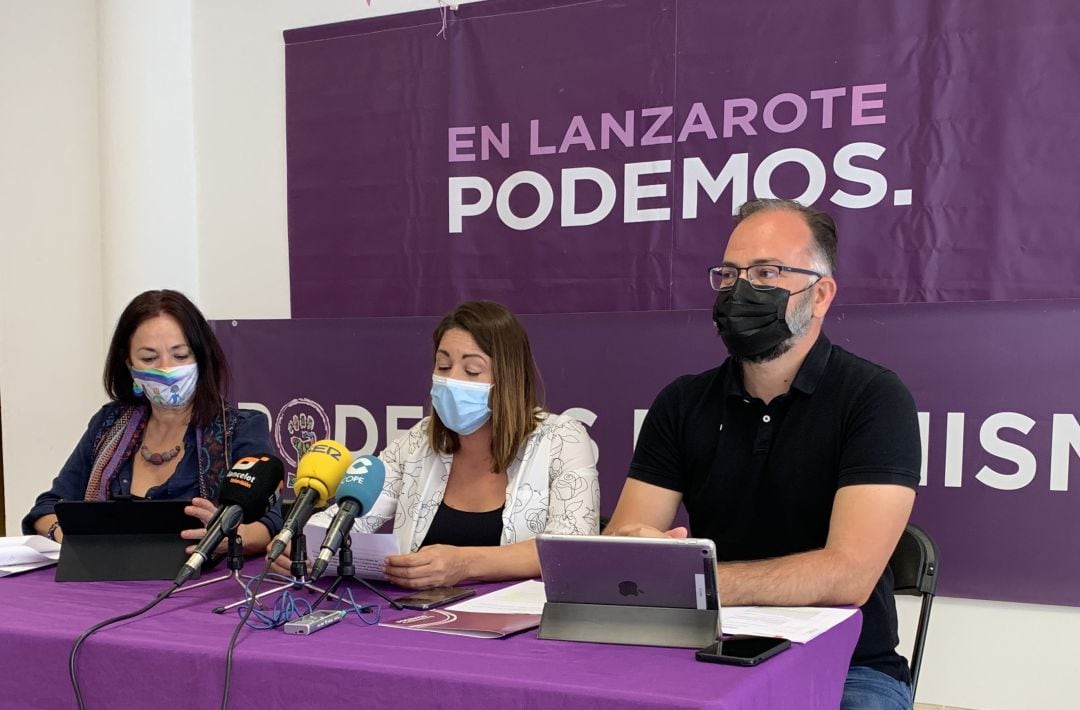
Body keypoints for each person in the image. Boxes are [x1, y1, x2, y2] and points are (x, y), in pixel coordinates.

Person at [606, 199, 920, 710]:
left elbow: (849, 575)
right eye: (729, 274)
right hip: (704, 650)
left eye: (767, 272)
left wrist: (696, 581)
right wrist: (634, 549)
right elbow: (625, 552)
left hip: (847, 667)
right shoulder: (682, 403)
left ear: (820, 295)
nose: (740, 289)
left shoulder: (874, 398)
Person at [303, 300, 600, 589]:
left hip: (524, 627)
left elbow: (571, 549)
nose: (452, 380)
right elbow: (353, 517)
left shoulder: (562, 438)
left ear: (508, 378)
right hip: (417, 618)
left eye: (472, 370)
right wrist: (306, 544)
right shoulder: (419, 439)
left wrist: (465, 563)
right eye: (443, 366)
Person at [23, 289, 283, 554]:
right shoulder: (108, 423)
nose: (166, 369)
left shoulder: (240, 428)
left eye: (180, 356)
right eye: (149, 358)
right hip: (104, 583)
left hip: (200, 582)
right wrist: (67, 535)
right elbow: (47, 507)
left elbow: (270, 523)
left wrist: (231, 535)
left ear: (201, 358)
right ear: (130, 365)